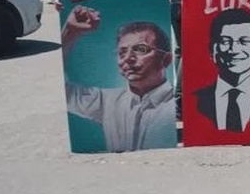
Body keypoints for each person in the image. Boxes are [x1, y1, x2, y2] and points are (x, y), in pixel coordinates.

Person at [61, 8, 176, 152]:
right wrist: (70, 32)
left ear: (166, 59)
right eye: (122, 52)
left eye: (141, 49)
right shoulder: (106, 102)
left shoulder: (178, 103)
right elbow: (64, 92)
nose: (128, 58)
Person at [194, 8, 250, 132]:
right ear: (213, 49)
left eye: (244, 41)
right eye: (225, 41)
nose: (234, 50)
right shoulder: (196, 101)